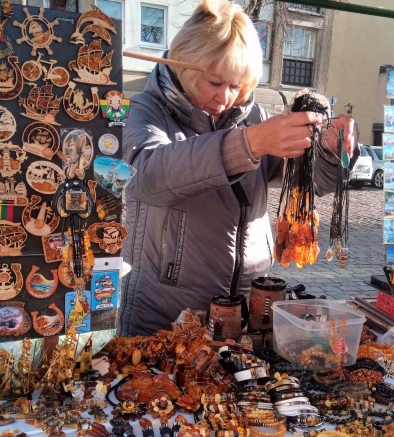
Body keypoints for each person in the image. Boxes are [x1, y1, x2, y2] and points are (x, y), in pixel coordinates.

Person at [120, 0, 358, 336]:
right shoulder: (146, 109)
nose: (225, 98)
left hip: (246, 307)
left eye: (236, 86)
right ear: (187, 68)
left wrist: (329, 152)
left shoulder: (254, 116)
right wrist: (248, 144)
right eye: (215, 82)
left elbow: (311, 182)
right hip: (165, 312)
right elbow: (148, 177)